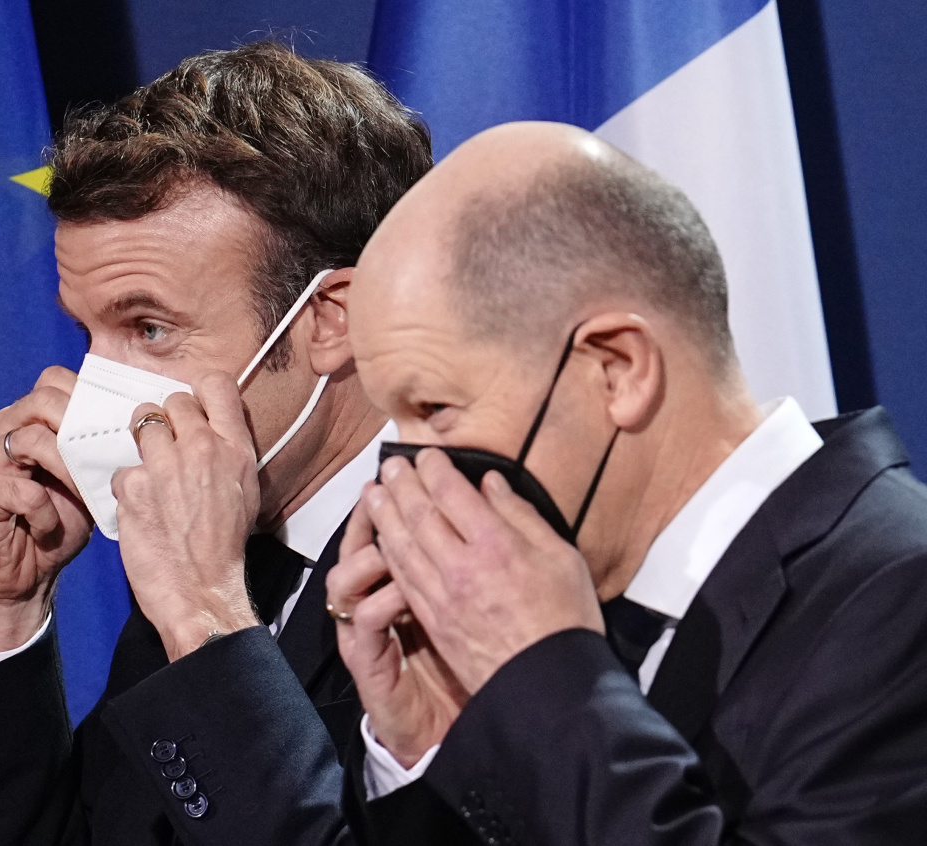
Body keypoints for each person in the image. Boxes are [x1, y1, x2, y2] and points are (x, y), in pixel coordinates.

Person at [0, 41, 432, 846]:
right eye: (88, 335)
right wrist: (2, 608)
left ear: (330, 322)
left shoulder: (472, 574)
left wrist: (206, 615)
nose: (96, 388)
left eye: (149, 328)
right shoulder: (210, 549)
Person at [327, 121, 927, 845]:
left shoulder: (902, 600)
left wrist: (544, 678)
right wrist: (431, 745)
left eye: (435, 410)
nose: (400, 477)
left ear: (618, 371)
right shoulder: (559, 612)